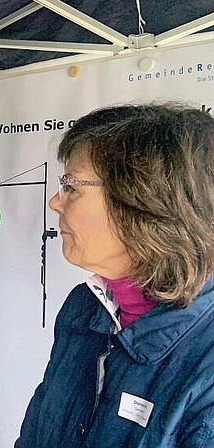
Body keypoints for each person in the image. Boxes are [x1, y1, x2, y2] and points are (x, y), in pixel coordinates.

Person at [15, 103, 214, 447]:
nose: (55, 202)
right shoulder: (83, 308)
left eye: (72, 186)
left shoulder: (205, 363)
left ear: (143, 201)